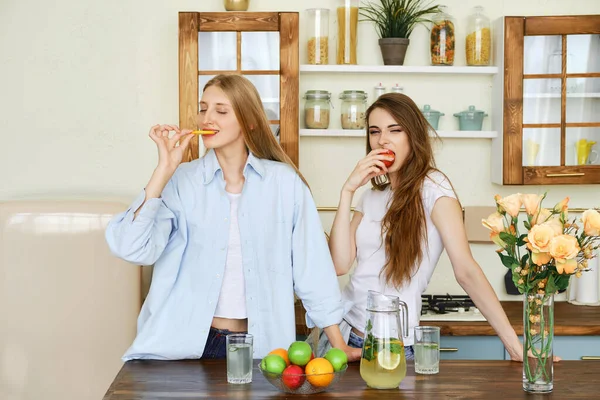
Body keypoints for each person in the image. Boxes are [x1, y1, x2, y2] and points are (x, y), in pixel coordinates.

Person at [105, 74, 361, 362]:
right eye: (203, 109)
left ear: (249, 121)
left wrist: (337, 342)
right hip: (185, 346)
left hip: (263, 347)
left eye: (221, 111)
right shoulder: (181, 181)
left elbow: (312, 268)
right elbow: (130, 247)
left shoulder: (284, 184)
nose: (207, 119)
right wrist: (164, 170)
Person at [320, 92, 523, 361]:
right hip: (344, 335)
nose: (382, 140)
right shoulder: (370, 196)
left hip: (394, 347)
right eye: (374, 131)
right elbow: (339, 264)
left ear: (412, 135)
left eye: (395, 130)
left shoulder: (434, 188)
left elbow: (466, 271)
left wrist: (515, 346)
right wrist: (347, 190)